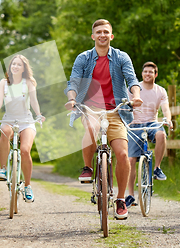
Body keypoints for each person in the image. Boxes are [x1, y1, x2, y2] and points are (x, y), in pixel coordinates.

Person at [64, 19, 143, 220]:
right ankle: (88, 167)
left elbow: (132, 79)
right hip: (90, 108)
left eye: (106, 32)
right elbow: (73, 81)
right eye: (98, 32)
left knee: (123, 155)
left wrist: (135, 96)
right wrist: (72, 100)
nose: (102, 35)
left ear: (111, 35)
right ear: (93, 36)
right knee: (91, 126)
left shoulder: (120, 57)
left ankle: (120, 199)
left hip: (115, 111)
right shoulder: (84, 58)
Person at [0, 55, 45, 203]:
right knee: (5, 132)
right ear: (10, 67)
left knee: (25, 150)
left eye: (19, 65)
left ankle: (27, 186)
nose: (15, 66)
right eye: (13, 64)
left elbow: (34, 101)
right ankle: (3, 169)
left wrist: (38, 115)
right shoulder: (4, 83)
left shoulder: (29, 83)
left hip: (26, 120)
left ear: (24, 68)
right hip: (9, 118)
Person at [125, 61, 173, 208]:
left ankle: (157, 169)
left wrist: (168, 120)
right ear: (142, 73)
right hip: (134, 125)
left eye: (151, 72)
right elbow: (126, 106)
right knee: (131, 160)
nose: (147, 74)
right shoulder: (134, 89)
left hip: (152, 123)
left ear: (155, 74)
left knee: (161, 135)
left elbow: (165, 109)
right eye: (145, 71)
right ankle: (130, 195)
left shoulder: (161, 91)